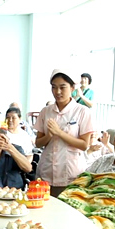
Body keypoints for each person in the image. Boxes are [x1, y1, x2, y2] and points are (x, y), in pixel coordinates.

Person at [34, 69, 94, 197]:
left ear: (72, 88)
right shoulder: (45, 111)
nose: (58, 92)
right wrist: (49, 135)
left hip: (71, 174)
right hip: (47, 172)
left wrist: (59, 132)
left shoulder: (82, 111)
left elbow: (84, 145)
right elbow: (38, 143)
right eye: (54, 87)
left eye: (62, 87)